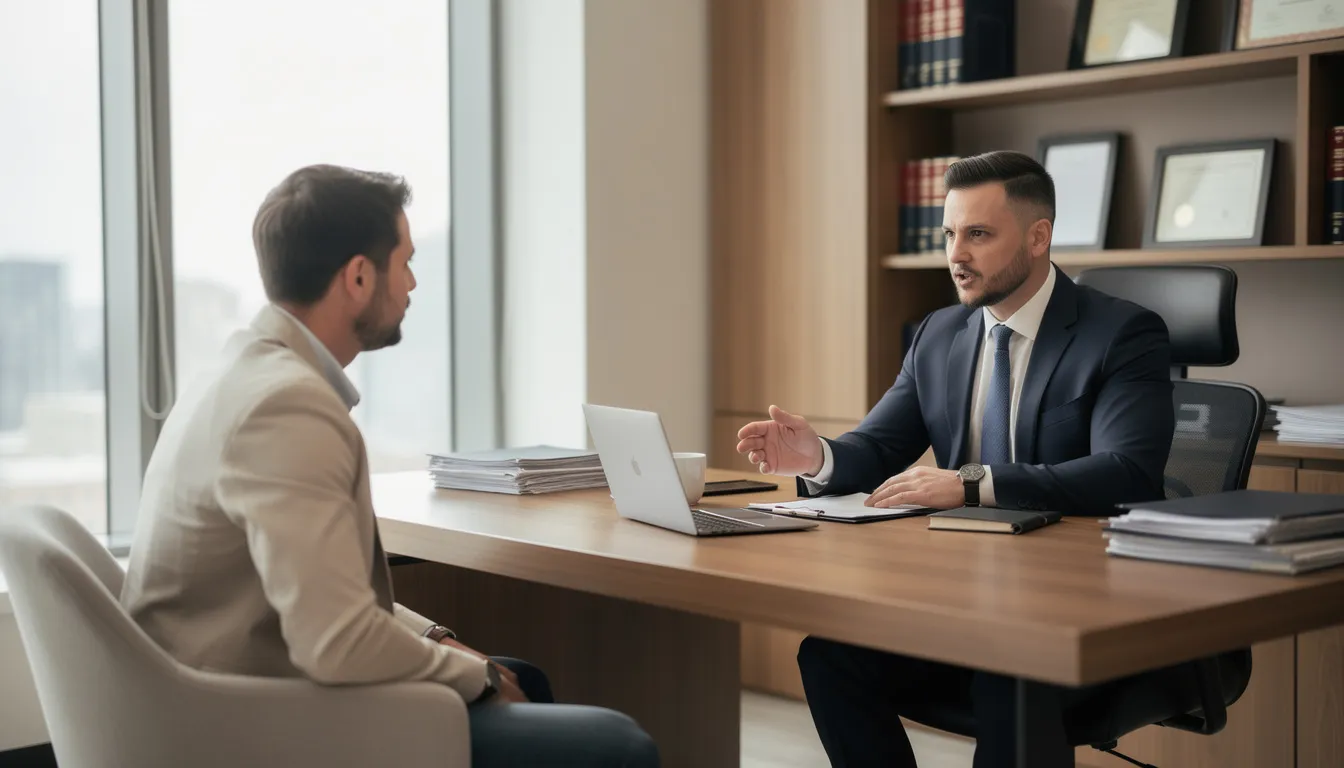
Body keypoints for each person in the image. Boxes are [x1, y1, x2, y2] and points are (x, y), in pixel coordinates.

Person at [121, 164, 659, 768]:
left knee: (521, 677)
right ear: (357, 276)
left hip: (225, 687)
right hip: (251, 723)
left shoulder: (239, 373)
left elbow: (326, 596)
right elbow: (338, 641)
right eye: (403, 261)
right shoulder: (286, 405)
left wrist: (440, 642)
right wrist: (475, 675)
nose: (411, 282)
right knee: (617, 745)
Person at [735, 150, 1177, 767]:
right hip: (963, 597)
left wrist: (971, 484)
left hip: (1075, 606)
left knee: (1010, 671)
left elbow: (1126, 473)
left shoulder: (1121, 334)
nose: (956, 254)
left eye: (978, 234)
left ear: (1038, 236)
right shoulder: (939, 334)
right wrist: (818, 457)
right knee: (831, 655)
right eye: (949, 234)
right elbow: (878, 448)